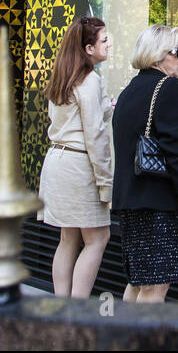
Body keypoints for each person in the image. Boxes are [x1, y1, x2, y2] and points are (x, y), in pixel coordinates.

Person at [111, 25, 178, 304]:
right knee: (156, 286)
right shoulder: (170, 88)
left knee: (139, 282)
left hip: (133, 201)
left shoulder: (131, 90)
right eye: (176, 52)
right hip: (159, 204)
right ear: (157, 56)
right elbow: (177, 147)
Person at [38, 16, 114, 299]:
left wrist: (106, 106)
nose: (110, 44)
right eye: (104, 40)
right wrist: (106, 182)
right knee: (98, 238)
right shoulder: (90, 80)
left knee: (68, 238)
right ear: (89, 48)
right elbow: (95, 135)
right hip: (79, 165)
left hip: (56, 161)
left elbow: (67, 120)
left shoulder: (63, 77)